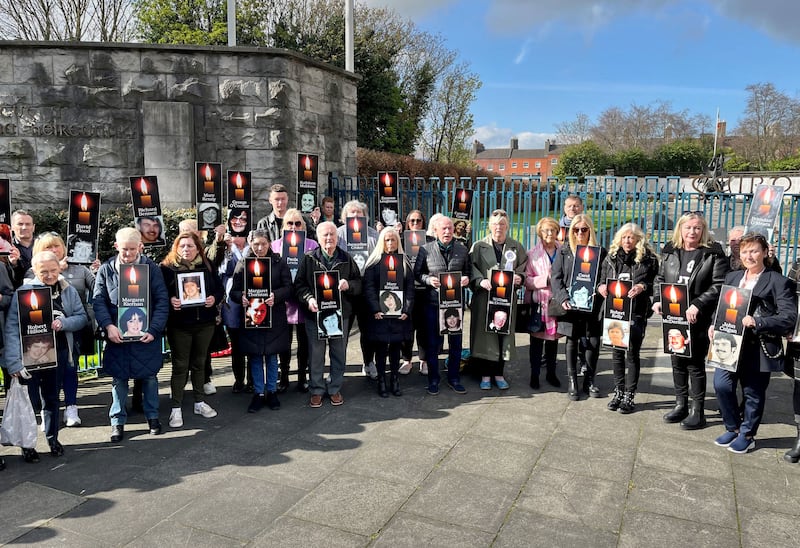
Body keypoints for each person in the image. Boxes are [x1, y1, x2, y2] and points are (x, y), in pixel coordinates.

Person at [710, 232, 796, 454]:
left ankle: (747, 434)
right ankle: (732, 427)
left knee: (753, 393)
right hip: (729, 343)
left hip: (759, 346)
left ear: (765, 253)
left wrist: (758, 321)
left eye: (755, 250)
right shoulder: (732, 277)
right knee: (721, 384)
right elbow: (722, 305)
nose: (749, 255)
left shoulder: (778, 281)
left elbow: (789, 317)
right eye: (745, 251)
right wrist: (713, 324)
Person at [4, 250, 88, 461]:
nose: (50, 275)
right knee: (31, 403)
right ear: (34, 271)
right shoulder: (23, 293)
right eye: (44, 272)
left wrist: (64, 323)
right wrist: (14, 362)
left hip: (57, 353)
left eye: (53, 270)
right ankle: (28, 444)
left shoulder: (67, 291)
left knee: (51, 399)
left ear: (59, 268)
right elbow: (12, 328)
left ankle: (53, 439)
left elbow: (81, 317)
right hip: (29, 357)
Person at [652, 212, 729, 429]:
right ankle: (681, 404)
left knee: (695, 364)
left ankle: (698, 411)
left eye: (697, 228)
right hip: (673, 315)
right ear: (681, 229)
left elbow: (719, 285)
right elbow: (660, 279)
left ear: (703, 230)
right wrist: (658, 300)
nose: (692, 232)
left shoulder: (713, 254)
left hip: (698, 318)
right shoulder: (670, 251)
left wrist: (698, 304)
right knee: (676, 360)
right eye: (688, 227)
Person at [93, 228, 169, 442]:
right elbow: (99, 300)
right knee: (119, 380)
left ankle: (153, 416)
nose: (127, 254)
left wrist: (154, 330)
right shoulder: (107, 269)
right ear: (116, 246)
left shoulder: (151, 269)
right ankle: (117, 421)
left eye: (132, 250)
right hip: (118, 336)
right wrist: (108, 326)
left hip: (145, 335)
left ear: (140, 247)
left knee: (150, 378)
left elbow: (162, 301)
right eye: (123, 249)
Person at [29, 231, 98, 428]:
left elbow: (96, 289)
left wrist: (96, 270)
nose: (53, 250)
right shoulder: (31, 275)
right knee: (44, 376)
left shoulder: (79, 270)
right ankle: (48, 413)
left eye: (56, 246)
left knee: (69, 369)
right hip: (40, 337)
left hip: (70, 333)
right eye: (48, 247)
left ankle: (71, 408)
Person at [160, 231, 224, 428]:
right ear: (176, 248)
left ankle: (199, 402)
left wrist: (214, 298)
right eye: (182, 246)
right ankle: (176, 408)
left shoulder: (207, 266)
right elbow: (159, 293)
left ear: (198, 248)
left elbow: (219, 289)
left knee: (199, 363)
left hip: (204, 323)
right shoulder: (167, 268)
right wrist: (171, 300)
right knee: (180, 365)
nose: (186, 249)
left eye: (190, 246)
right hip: (179, 325)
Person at [295, 221, 362, 408]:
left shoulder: (346, 258)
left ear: (337, 237)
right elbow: (299, 285)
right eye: (325, 235)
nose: (329, 238)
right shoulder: (309, 259)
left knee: (338, 352)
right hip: (315, 315)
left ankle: (334, 387)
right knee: (316, 354)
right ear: (318, 237)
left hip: (341, 315)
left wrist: (349, 285)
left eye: (332, 234)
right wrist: (309, 299)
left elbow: (359, 283)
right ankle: (316, 389)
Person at [229, 229, 293, 412]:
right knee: (255, 356)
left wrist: (277, 296)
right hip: (252, 316)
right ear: (251, 244)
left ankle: (271, 391)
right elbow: (234, 290)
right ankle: (258, 393)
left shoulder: (279, 263)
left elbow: (289, 288)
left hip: (274, 317)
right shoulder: (243, 263)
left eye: (263, 243)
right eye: (256, 244)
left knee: (272, 356)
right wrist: (239, 297)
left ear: (269, 244)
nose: (259, 247)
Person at [598, 222, 658, 414]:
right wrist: (601, 287)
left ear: (638, 239)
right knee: (616, 353)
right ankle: (618, 391)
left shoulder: (648, 259)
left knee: (632, 354)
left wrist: (643, 287)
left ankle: (630, 394)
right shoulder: (611, 258)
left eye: (631, 237)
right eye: (624, 237)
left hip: (636, 311)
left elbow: (655, 281)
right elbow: (601, 279)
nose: (627, 241)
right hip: (614, 310)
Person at [414, 215, 472, 395]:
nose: (447, 232)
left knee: (455, 343)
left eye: (449, 228)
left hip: (455, 304)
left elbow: (469, 272)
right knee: (433, 344)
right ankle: (433, 379)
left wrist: (466, 279)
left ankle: (454, 378)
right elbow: (417, 274)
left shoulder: (462, 249)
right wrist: (428, 280)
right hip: (433, 304)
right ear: (436, 231)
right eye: (443, 229)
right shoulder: (425, 249)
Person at [552, 214, 607, 400]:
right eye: (576, 229)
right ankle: (572, 381)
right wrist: (563, 297)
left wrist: (600, 287)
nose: (580, 233)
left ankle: (589, 380)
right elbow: (556, 278)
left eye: (584, 229)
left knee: (592, 341)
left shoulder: (600, 252)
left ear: (590, 230)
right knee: (572, 340)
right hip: (571, 305)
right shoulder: (564, 251)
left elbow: (603, 276)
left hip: (593, 304)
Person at [469, 210, 526, 390]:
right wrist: (479, 280)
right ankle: (485, 375)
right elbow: (470, 267)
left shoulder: (516, 247)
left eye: (502, 224)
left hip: (506, 301)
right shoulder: (478, 246)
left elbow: (524, 268)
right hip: (485, 299)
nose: (498, 228)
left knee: (503, 335)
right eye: (495, 224)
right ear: (489, 226)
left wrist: (520, 278)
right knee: (486, 337)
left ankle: (499, 374)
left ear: (507, 226)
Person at [271, 207, 319, 393]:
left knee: (304, 342)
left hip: (304, 300)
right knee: (284, 342)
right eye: (289, 223)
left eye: (297, 223)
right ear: (284, 226)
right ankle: (283, 376)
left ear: (304, 226)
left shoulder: (312, 245)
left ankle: (302, 377)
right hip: (283, 302)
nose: (293, 227)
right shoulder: (275, 246)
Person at [364, 227, 414, 397]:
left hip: (399, 315)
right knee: (380, 349)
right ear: (381, 241)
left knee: (395, 348)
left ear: (398, 241)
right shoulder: (374, 263)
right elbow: (369, 288)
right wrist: (375, 309)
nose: (390, 243)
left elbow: (410, 289)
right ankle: (381, 381)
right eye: (387, 240)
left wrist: (406, 309)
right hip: (380, 315)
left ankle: (394, 379)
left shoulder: (404, 263)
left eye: (393, 240)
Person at [336, 200, 379, 380]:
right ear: (345, 218)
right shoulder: (338, 234)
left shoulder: (373, 235)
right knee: (341, 332)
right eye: (351, 214)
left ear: (365, 217)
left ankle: (369, 362)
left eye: (358, 214)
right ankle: (338, 368)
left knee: (368, 330)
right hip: (344, 290)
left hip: (366, 289)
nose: (355, 217)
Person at [525, 216, 563, 390]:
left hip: (557, 302)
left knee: (553, 341)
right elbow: (526, 280)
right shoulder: (532, 254)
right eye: (545, 230)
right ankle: (534, 375)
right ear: (540, 232)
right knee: (537, 341)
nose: (549, 233)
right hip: (539, 304)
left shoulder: (563, 251)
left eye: (552, 230)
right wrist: (545, 279)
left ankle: (552, 373)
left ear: (557, 232)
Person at [399, 210, 429, 375]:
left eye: (419, 221)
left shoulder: (429, 241)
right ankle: (407, 360)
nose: (416, 224)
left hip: (424, 290)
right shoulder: (401, 241)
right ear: (407, 223)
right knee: (406, 327)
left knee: (423, 327)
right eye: (412, 221)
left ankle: (423, 361)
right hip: (405, 291)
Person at [10, 210, 35, 286]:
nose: (24, 227)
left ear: (33, 227)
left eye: (28, 224)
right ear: (12, 227)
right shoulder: (7, 248)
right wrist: (14, 264)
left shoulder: (43, 245)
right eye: (20, 224)